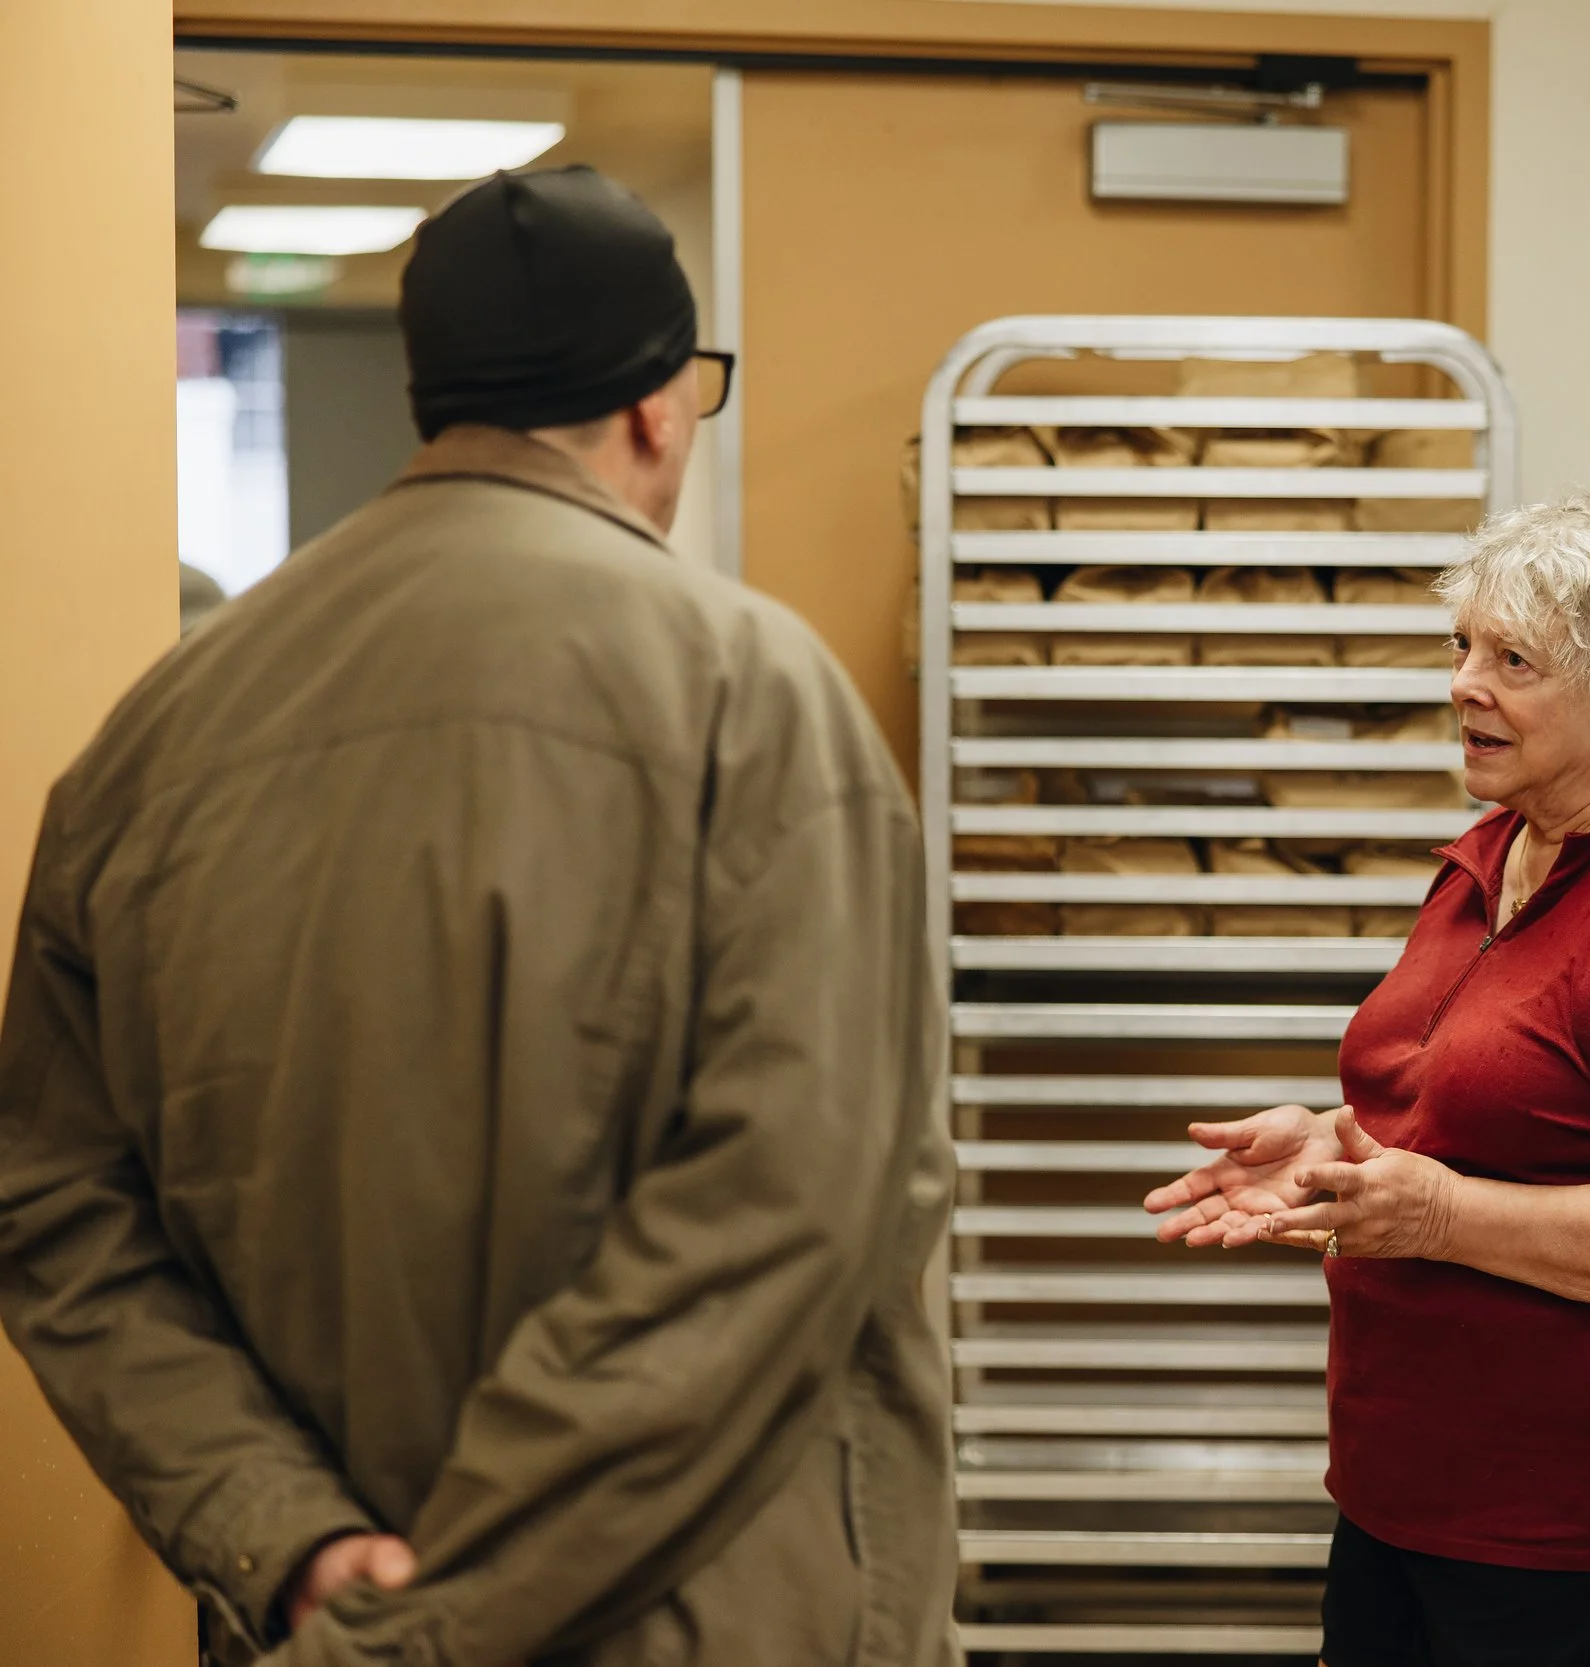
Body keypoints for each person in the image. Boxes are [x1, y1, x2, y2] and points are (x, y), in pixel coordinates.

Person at [0, 166, 955, 1666]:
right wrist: (448, 1615)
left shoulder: (151, 738)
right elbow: (779, 1217)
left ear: (432, 401)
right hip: (696, 1612)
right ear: (659, 406)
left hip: (316, 1616)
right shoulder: (749, 694)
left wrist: (289, 1534)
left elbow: (57, 1205)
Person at [1144, 496, 1590, 1667]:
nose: (1464, 681)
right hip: (1406, 1492)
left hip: (1587, 1535)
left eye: (1513, 658)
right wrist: (1335, 1141)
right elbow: (1487, 1105)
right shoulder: (1494, 851)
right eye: (1462, 645)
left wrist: (1440, 1214)